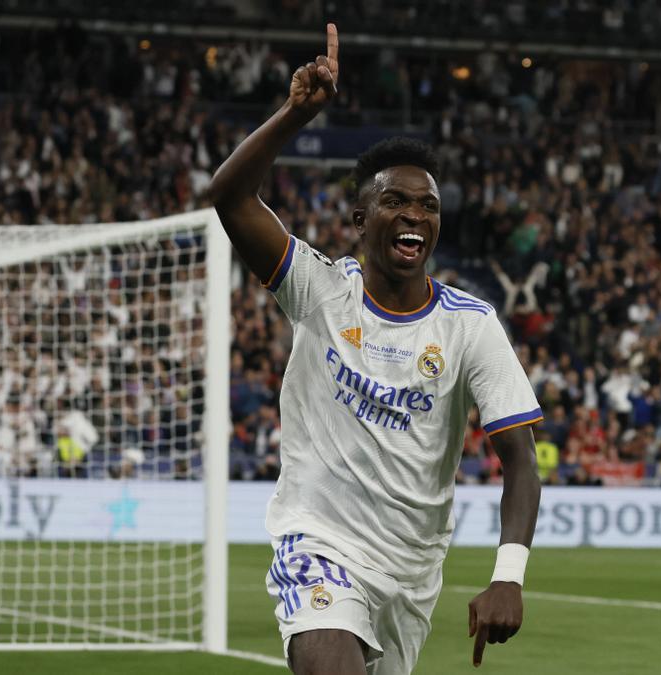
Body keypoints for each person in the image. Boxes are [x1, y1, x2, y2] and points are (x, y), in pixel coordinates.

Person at [208, 24, 543, 674]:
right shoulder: (317, 289)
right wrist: (296, 114)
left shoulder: (470, 326)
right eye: (395, 201)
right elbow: (229, 197)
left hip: (410, 572)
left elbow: (520, 459)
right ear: (360, 220)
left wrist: (510, 574)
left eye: (429, 206)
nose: (416, 214)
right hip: (319, 541)